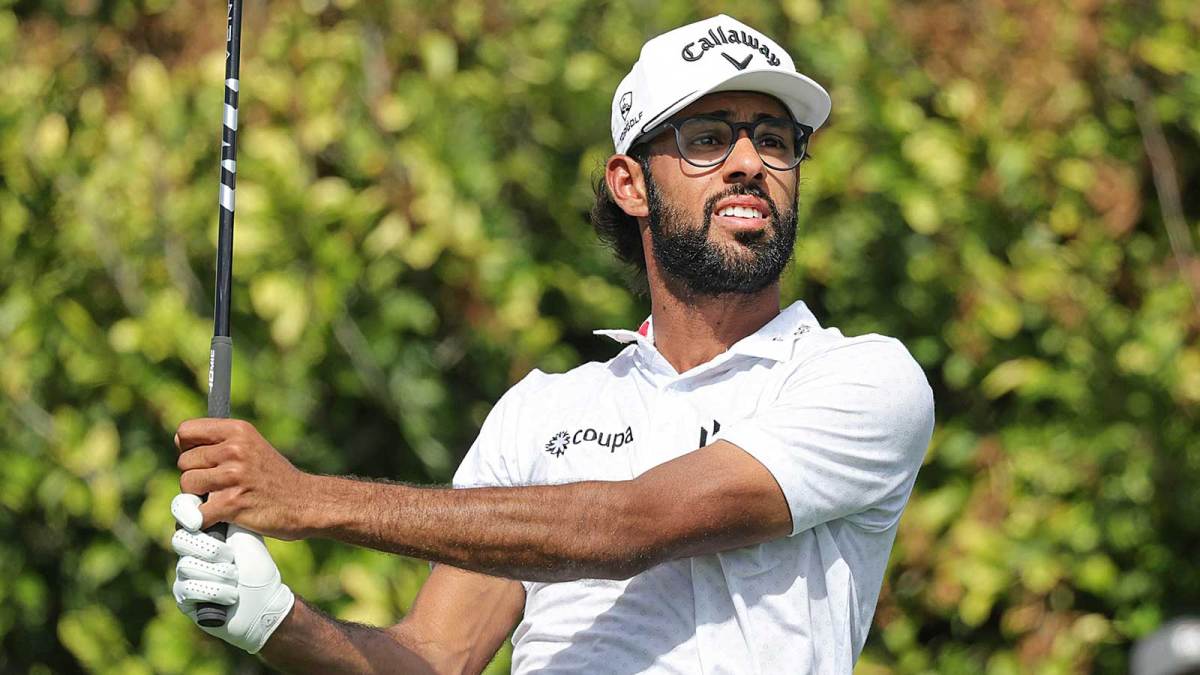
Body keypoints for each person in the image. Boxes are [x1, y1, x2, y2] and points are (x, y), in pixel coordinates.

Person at [170, 14, 935, 674]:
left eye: (774, 141)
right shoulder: (541, 410)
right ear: (630, 184)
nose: (748, 163)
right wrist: (273, 617)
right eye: (706, 139)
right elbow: (435, 657)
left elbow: (630, 526)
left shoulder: (861, 379)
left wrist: (304, 498)